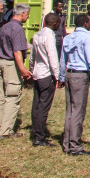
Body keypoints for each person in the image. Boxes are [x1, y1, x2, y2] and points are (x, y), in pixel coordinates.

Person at [58, 14, 90, 155]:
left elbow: (62, 60)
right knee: (78, 111)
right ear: (85, 24)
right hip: (80, 75)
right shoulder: (86, 37)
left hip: (69, 73)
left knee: (70, 110)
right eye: (89, 23)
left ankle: (67, 143)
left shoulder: (67, 38)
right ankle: (75, 145)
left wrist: (61, 77)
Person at [0, 4, 32, 138]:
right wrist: (23, 69)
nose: (28, 17)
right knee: (12, 97)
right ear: (22, 14)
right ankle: (5, 131)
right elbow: (17, 51)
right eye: (27, 14)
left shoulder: (4, 27)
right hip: (11, 64)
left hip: (1, 62)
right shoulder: (17, 29)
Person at [29, 13, 61, 147]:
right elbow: (52, 56)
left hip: (37, 73)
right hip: (47, 75)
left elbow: (32, 56)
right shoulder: (49, 36)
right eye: (58, 23)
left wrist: (31, 70)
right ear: (54, 23)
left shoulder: (37, 34)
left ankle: (35, 131)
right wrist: (58, 75)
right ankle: (40, 137)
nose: (59, 26)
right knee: (43, 106)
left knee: (36, 105)